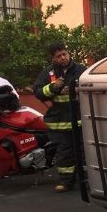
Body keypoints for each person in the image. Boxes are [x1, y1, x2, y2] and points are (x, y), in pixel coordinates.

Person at [33, 42, 87, 193]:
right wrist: (52, 88)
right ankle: (66, 182)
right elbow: (37, 91)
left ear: (68, 54)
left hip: (80, 120)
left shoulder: (81, 70)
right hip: (61, 123)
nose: (62, 58)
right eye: (58, 56)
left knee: (85, 152)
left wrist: (76, 90)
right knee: (64, 154)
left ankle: (88, 181)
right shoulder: (48, 73)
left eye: (64, 54)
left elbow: (91, 86)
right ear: (53, 59)